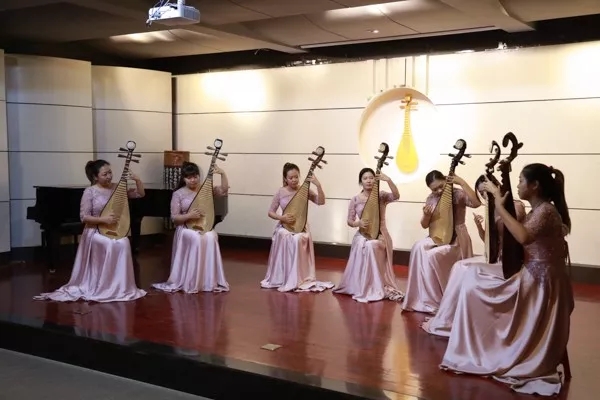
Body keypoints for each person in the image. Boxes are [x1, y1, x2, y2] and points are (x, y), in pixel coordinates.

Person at [440, 163, 574, 396]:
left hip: (543, 284)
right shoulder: (538, 210)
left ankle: (485, 348)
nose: (518, 185)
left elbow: (523, 236)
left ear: (535, 185)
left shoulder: (545, 211)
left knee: (474, 288)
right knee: (471, 279)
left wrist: (500, 205)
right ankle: (479, 346)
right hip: (535, 276)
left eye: (521, 181)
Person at [422, 174, 526, 336]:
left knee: (463, 269)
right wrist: (479, 228)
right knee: (458, 267)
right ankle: (449, 318)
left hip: (509, 261)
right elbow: (490, 243)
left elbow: (516, 229)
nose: (485, 197)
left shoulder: (515, 206)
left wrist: (463, 182)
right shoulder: (491, 209)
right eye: (482, 194)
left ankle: (458, 321)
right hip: (495, 257)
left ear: (496, 187)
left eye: (487, 192)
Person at [34, 160, 147, 303]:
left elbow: (140, 194)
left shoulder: (116, 188)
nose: (109, 176)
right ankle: (103, 286)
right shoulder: (90, 192)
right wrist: (103, 220)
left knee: (124, 242)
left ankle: (119, 286)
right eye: (105, 174)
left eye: (110, 173)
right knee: (110, 244)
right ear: (95, 177)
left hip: (113, 229)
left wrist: (137, 180)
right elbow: (84, 217)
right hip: (95, 231)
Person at [401, 170, 481, 314]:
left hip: (456, 239)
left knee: (431, 256)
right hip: (438, 235)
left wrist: (461, 182)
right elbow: (424, 225)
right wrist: (426, 216)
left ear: (445, 180)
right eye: (434, 189)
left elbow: (476, 203)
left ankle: (439, 299)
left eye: (440, 186)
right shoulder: (431, 198)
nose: (438, 191)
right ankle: (421, 298)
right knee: (418, 247)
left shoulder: (457, 194)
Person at [152, 161, 230, 293]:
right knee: (196, 237)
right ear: (184, 179)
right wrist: (189, 216)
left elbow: (223, 190)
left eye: (195, 176)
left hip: (203, 225)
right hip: (185, 227)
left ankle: (207, 281)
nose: (193, 180)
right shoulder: (178, 194)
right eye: (189, 177)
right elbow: (174, 218)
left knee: (211, 236)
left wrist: (222, 173)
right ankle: (192, 280)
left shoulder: (205, 190)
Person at [261, 162, 333, 292]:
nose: (294, 180)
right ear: (285, 179)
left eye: (296, 177)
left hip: (301, 227)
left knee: (298, 238)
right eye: (291, 178)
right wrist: (282, 218)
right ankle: (284, 276)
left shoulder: (304, 190)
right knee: (286, 235)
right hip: (284, 226)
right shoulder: (281, 192)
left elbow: (321, 202)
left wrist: (318, 185)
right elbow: (270, 212)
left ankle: (299, 278)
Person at [333, 168, 403, 302]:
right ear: (361, 181)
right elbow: (349, 221)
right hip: (362, 234)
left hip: (380, 234)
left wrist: (388, 180)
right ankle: (362, 285)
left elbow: (396, 195)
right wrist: (357, 223)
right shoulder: (355, 199)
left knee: (372, 245)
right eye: (365, 178)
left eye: (371, 178)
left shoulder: (381, 196)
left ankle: (376, 285)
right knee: (364, 243)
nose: (369, 181)